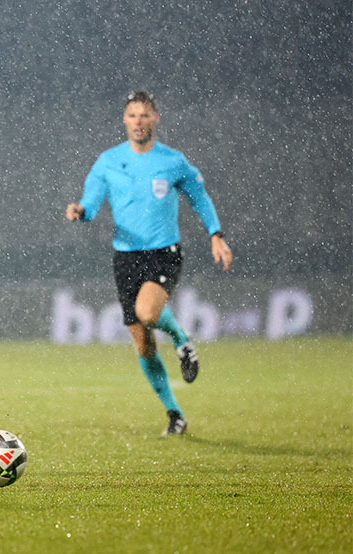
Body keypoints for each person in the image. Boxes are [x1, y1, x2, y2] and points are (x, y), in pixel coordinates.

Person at [66, 91, 233, 436]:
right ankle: (175, 413)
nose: (138, 121)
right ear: (124, 120)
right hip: (125, 258)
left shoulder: (172, 161)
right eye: (133, 115)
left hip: (163, 253)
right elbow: (91, 202)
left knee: (148, 312)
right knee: (143, 343)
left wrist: (215, 234)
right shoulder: (108, 161)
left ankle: (181, 338)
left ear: (156, 119)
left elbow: (199, 197)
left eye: (145, 115)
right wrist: (80, 212)